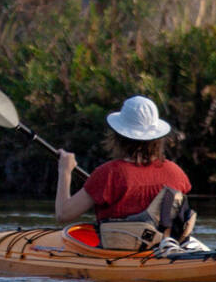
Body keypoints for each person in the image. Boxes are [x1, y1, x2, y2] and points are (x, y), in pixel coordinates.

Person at [55, 95, 201, 250]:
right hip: (164, 251)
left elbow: (63, 214)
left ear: (118, 136)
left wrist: (65, 170)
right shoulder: (176, 173)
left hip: (118, 255)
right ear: (157, 138)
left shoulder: (108, 174)